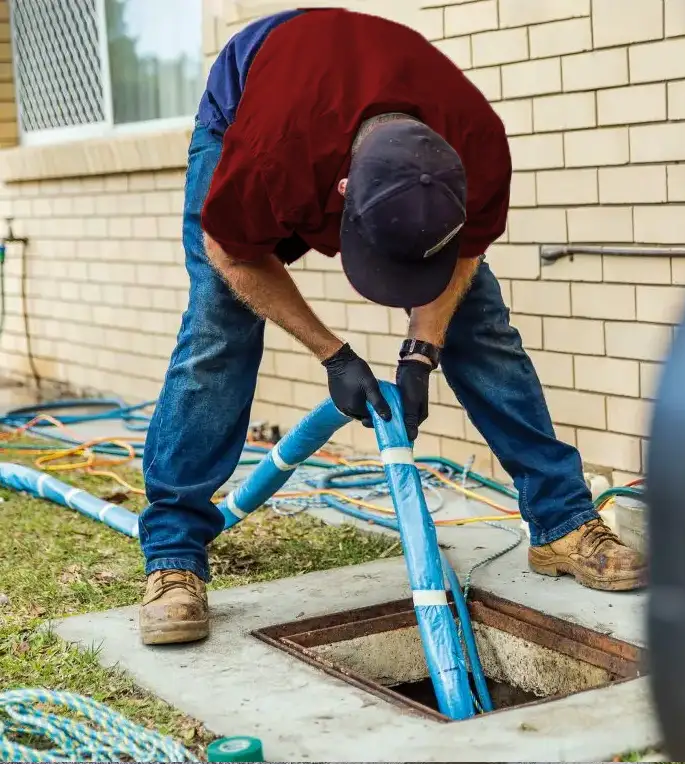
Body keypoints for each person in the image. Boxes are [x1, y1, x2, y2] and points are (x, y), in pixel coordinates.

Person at [137, 7, 645, 646]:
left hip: (354, 97)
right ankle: (174, 555)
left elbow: (465, 258)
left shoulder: (478, 146)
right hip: (254, 97)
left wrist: (421, 352)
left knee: (480, 322)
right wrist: (334, 356)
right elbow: (233, 256)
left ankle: (562, 521)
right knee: (219, 327)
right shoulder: (269, 153)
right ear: (343, 190)